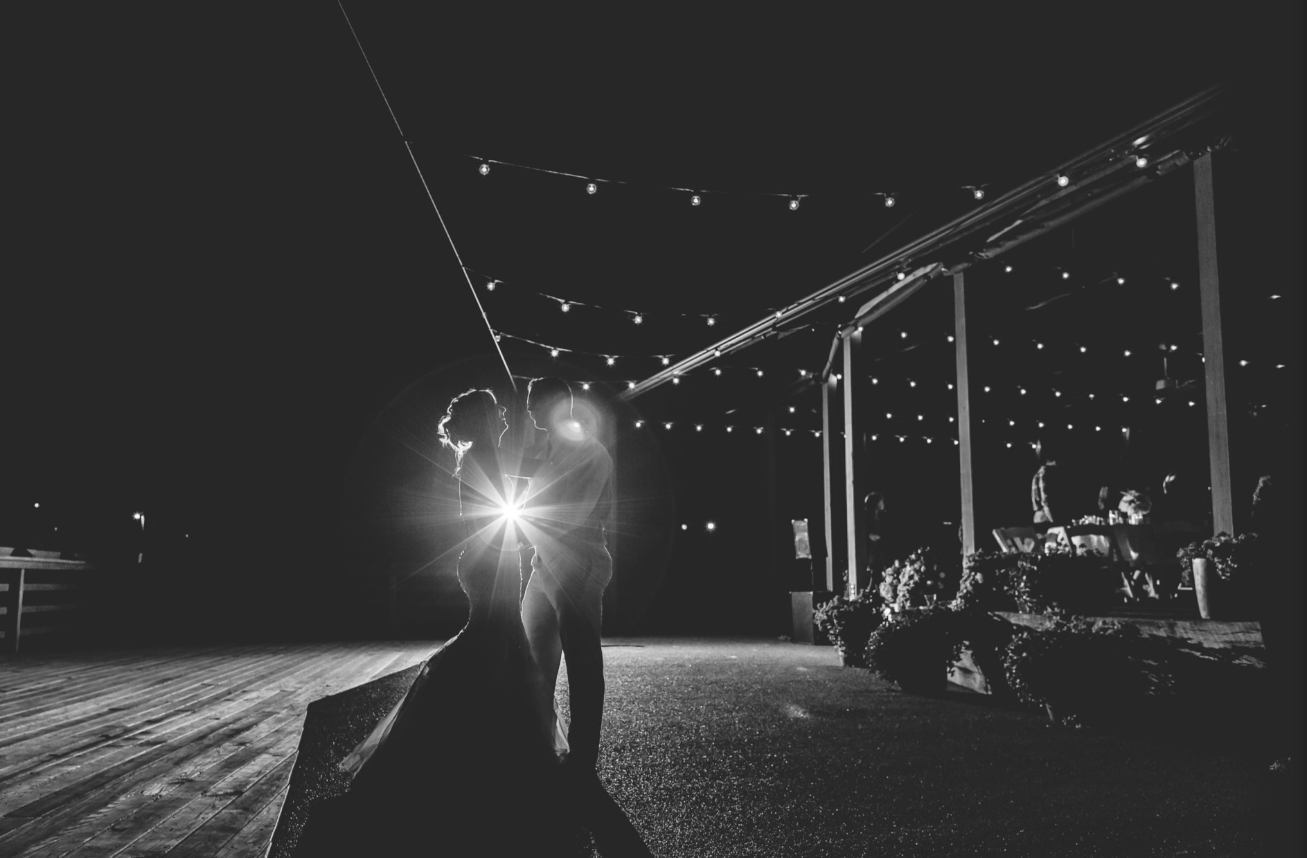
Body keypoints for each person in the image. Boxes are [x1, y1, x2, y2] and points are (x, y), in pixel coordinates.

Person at [300, 388, 570, 856]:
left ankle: (471, 756)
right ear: (485, 420)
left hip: (490, 559)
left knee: (497, 645)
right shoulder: (485, 457)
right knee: (495, 644)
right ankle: (490, 761)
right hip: (492, 562)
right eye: (497, 411)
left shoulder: (482, 456)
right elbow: (494, 517)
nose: (505, 416)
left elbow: (500, 512)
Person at [519, 377, 615, 783]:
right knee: (533, 661)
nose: (531, 414)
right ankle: (540, 748)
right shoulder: (545, 451)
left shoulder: (592, 453)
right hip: (544, 562)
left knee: (582, 663)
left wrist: (529, 514)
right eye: (530, 407)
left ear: (561, 405)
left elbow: (575, 515)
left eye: (536, 406)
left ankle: (582, 763)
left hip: (579, 563)